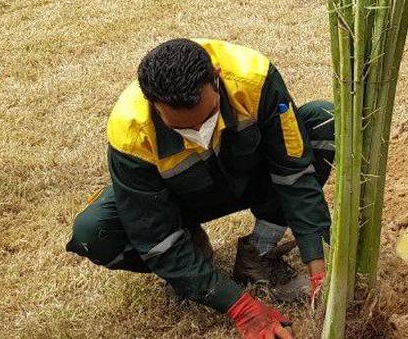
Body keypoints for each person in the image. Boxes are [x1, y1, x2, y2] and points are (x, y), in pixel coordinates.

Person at [68, 38, 333, 339]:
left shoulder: (254, 78)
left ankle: (259, 252)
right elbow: (153, 236)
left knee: (325, 121)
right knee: (93, 232)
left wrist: (318, 263)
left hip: (250, 176)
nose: (199, 132)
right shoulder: (130, 130)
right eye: (181, 128)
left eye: (210, 116)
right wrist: (241, 308)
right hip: (182, 200)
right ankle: (192, 253)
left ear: (216, 77)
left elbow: (294, 172)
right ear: (153, 104)